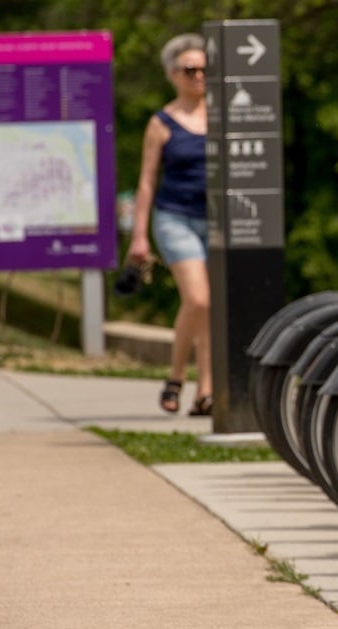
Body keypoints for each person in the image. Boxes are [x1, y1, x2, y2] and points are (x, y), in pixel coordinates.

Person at [128, 33, 212, 416]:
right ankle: (176, 375)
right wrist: (139, 236)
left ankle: (206, 391)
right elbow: (146, 182)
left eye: (203, 69)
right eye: (189, 70)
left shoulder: (225, 114)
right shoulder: (161, 123)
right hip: (174, 216)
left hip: (218, 221)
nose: (198, 76)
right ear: (172, 74)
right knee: (198, 299)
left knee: (213, 307)